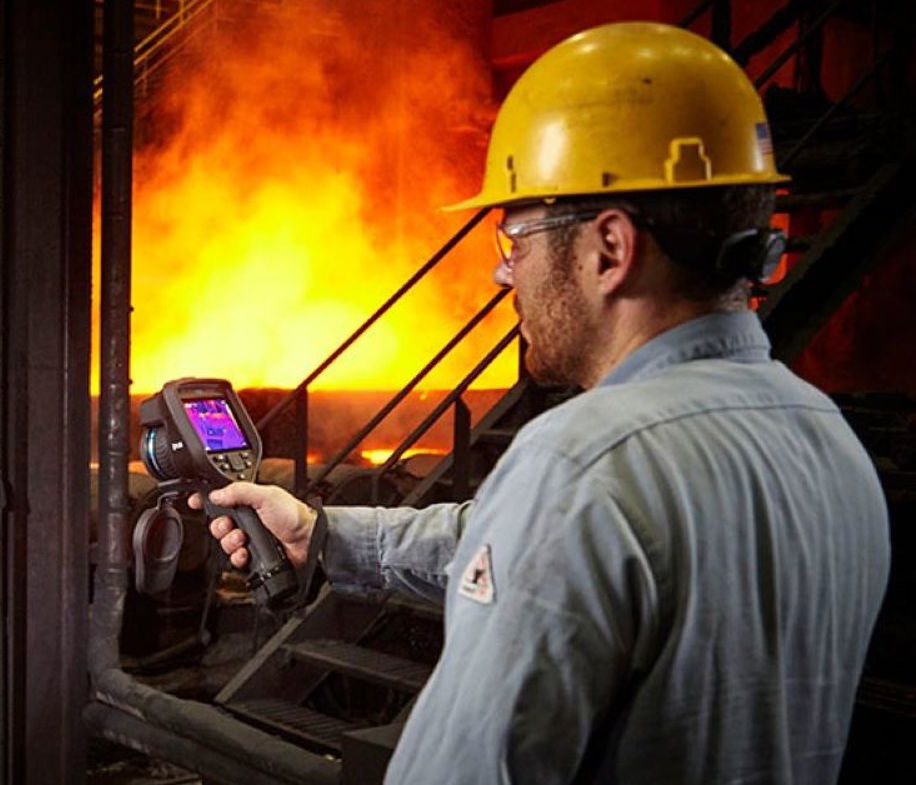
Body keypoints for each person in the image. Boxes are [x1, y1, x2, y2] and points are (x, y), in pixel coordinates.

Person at [194, 21, 890, 785]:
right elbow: (530, 545)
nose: (503, 274)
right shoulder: (832, 443)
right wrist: (323, 534)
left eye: (515, 239)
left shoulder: (581, 463)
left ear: (609, 248)